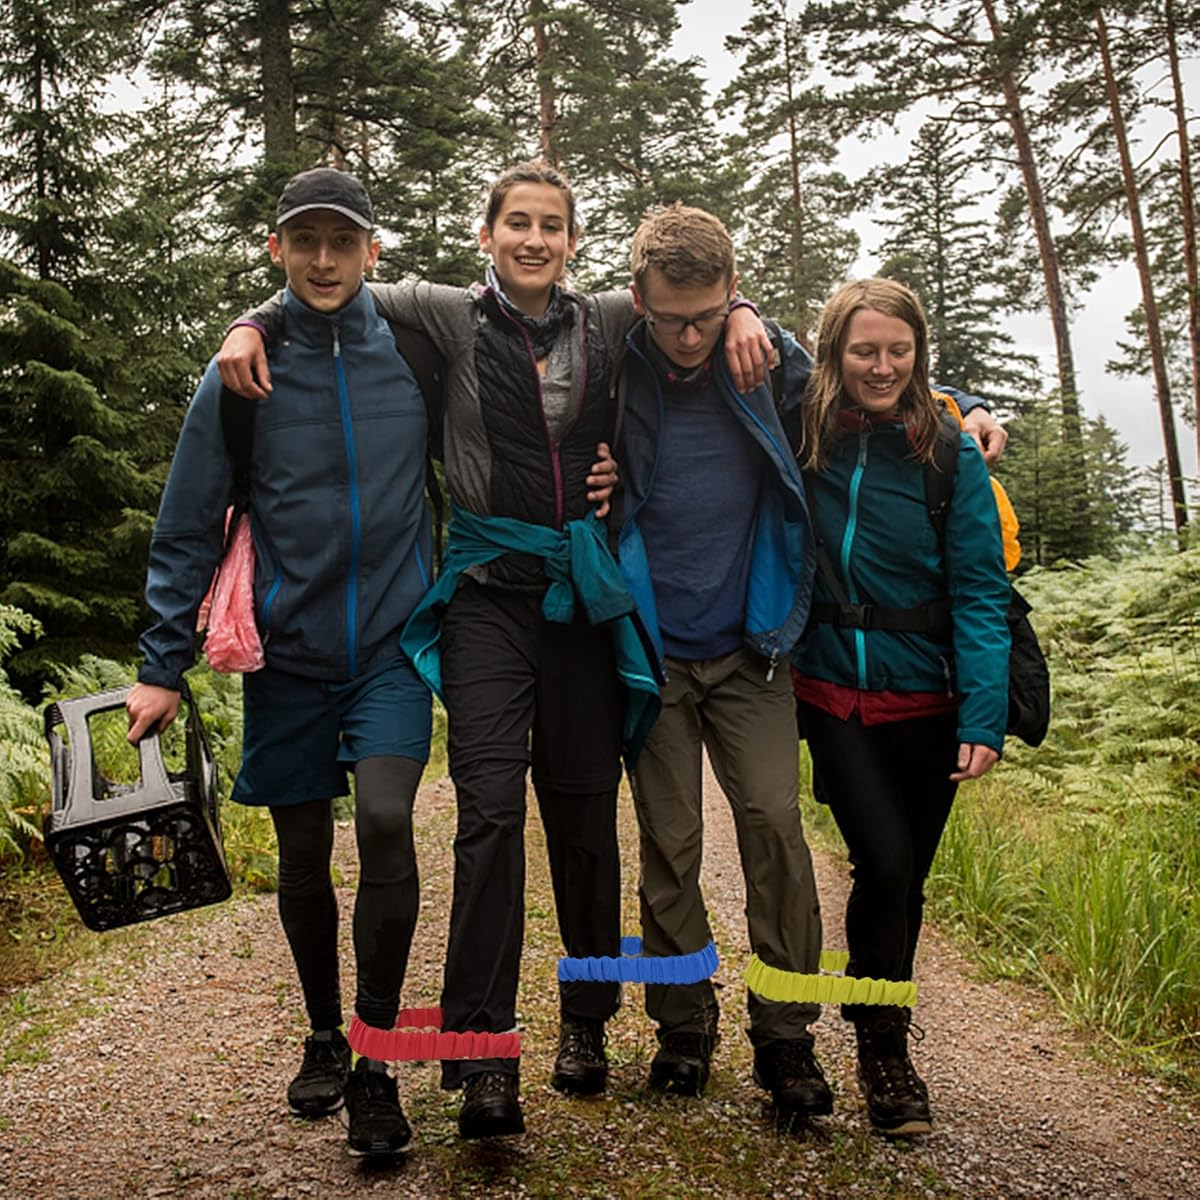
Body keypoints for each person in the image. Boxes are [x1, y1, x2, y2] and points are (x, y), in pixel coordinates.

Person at [215, 161, 774, 1140]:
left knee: (582, 816)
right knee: (486, 816)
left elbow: (690, 298)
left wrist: (743, 314)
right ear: (486, 233)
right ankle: (482, 1057)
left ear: (572, 240)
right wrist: (251, 323)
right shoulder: (438, 313)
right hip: (482, 595)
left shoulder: (608, 320)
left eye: (551, 225)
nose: (532, 239)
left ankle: (589, 1022)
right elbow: (326, 284)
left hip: (578, 599)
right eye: (516, 222)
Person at [127, 168, 440, 1159]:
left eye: (340, 242)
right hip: (288, 655)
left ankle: (376, 1057)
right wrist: (160, 665)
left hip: (393, 644)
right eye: (303, 241)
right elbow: (185, 525)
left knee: (388, 821)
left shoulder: (419, 355)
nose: (321, 259)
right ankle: (319, 1029)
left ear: (371, 252)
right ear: (276, 250)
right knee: (304, 857)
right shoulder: (239, 376)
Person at [614, 204, 830, 1122]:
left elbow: (875, 382)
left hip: (753, 651)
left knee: (774, 824)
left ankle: (785, 1034)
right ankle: (682, 1025)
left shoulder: (765, 361)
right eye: (671, 318)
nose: (692, 336)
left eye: (709, 313)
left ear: (733, 293)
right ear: (637, 300)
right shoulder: (611, 359)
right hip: (655, 652)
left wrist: (971, 409)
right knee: (670, 842)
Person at [790, 277, 1010, 1137]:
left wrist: (983, 717)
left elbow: (982, 593)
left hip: (929, 695)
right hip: (831, 688)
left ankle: (884, 1040)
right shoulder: (806, 429)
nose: (882, 367)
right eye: (863, 351)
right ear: (833, 354)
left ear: (919, 353)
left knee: (905, 878)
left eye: (898, 350)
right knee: (883, 863)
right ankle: (882, 1045)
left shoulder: (949, 449)